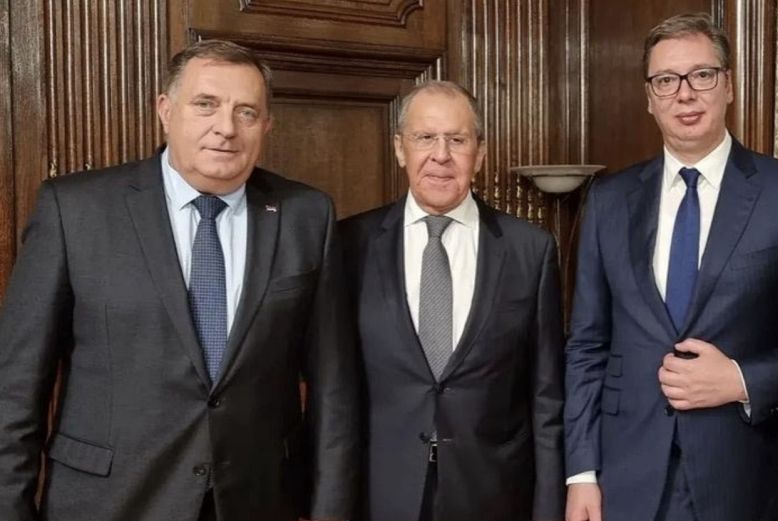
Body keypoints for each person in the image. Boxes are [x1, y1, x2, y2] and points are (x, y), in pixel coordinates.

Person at [0, 39, 358, 521]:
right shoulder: (75, 210)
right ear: (165, 111)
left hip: (257, 500)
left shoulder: (306, 215)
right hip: (111, 501)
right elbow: (15, 389)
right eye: (205, 104)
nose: (226, 128)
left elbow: (333, 388)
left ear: (267, 126)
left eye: (247, 112)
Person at [564, 12, 778, 521]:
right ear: (649, 98)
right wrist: (581, 473)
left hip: (741, 471)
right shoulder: (609, 199)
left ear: (728, 85)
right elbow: (586, 345)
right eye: (666, 81)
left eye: (701, 75)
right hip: (625, 475)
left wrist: (743, 379)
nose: (684, 94)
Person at [339, 80, 565, 521]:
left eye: (457, 140)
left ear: (479, 154)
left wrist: (549, 508)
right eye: (425, 137)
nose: (440, 155)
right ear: (400, 148)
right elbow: (335, 389)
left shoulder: (530, 250)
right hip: (381, 492)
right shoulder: (351, 245)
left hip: (494, 494)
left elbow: (547, 396)